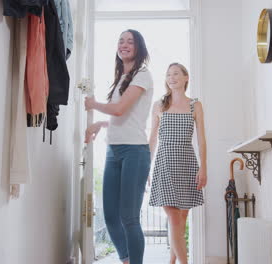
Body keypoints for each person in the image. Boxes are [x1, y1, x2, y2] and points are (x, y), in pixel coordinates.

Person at [84, 29, 153, 264]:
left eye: (129, 41)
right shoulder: (121, 80)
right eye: (120, 41)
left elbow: (120, 109)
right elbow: (122, 116)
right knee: (111, 216)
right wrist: (100, 124)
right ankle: (126, 259)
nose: (124, 45)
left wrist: (93, 105)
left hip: (135, 151)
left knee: (129, 217)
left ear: (138, 47)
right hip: (113, 151)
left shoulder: (142, 74)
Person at [148, 63, 207, 264]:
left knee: (181, 219)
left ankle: (172, 261)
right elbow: (152, 139)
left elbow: (201, 140)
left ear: (186, 78)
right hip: (164, 162)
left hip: (187, 163)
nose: (171, 78)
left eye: (175, 74)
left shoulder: (195, 105)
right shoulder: (159, 105)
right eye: (168, 75)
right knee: (173, 217)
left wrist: (203, 168)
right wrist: (146, 168)